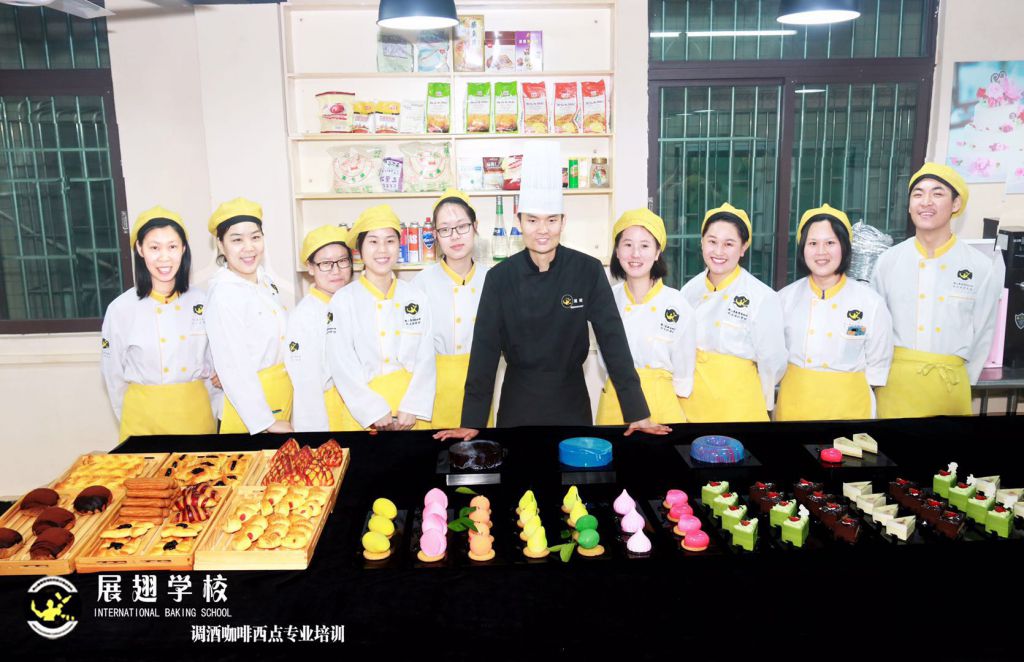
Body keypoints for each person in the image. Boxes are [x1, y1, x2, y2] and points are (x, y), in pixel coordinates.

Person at [436, 141, 669, 439]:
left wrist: (638, 413)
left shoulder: (588, 270)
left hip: (572, 402)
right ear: (519, 221)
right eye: (532, 220)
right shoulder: (500, 278)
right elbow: (484, 352)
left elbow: (614, 342)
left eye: (551, 220)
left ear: (563, 221)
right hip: (517, 405)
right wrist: (472, 421)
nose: (542, 230)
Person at [871, 163, 1005, 417]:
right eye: (918, 194)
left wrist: (961, 378)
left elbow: (983, 333)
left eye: (937, 193)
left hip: (950, 387)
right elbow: (877, 332)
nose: (926, 202)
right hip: (895, 386)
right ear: (909, 205)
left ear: (956, 204)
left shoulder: (980, 267)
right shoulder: (888, 262)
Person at [101, 206, 217, 441]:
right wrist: (131, 417)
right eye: (154, 247)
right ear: (139, 249)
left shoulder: (203, 302)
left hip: (195, 418)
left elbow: (215, 368)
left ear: (183, 249)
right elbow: (113, 376)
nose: (164, 257)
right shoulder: (120, 309)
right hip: (142, 423)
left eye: (172, 246)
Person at [776, 204, 894, 421]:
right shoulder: (784, 299)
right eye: (813, 243)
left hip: (850, 409)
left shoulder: (870, 303)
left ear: (844, 247)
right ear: (803, 249)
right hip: (795, 406)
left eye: (830, 243)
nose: (821, 252)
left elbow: (878, 365)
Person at [326, 205, 436, 431]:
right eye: (373, 241)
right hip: (363, 415)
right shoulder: (343, 300)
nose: (382, 250)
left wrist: (413, 406)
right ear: (360, 249)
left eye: (390, 241)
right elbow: (341, 363)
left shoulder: (415, 296)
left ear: (399, 245)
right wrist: (373, 410)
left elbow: (426, 357)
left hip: (410, 414)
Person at [679, 203, 787, 422]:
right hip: (691, 406)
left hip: (739, 407)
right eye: (712, 241)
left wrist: (762, 398)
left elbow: (773, 361)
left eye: (729, 244)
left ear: (743, 247)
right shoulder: (688, 291)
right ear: (702, 242)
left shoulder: (761, 296)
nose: (718, 251)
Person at [595, 208, 695, 425]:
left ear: (657, 252)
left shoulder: (677, 303)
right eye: (628, 245)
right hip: (616, 402)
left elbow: (684, 369)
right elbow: (604, 359)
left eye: (645, 245)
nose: (635, 254)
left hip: (662, 404)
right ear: (617, 251)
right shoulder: (606, 300)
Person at [205, 198, 294, 434]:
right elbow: (233, 366)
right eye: (237, 240)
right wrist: (265, 422)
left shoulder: (265, 281)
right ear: (221, 245)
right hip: (250, 412)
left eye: (255, 237)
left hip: (277, 395)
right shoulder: (224, 294)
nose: (249, 247)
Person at [412, 189, 491, 428]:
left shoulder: (493, 280)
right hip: (433, 390)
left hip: (482, 388)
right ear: (435, 235)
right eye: (445, 229)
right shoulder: (420, 285)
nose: (454, 236)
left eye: (462, 226)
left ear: (475, 226)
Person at [285, 225, 353, 432]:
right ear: (311, 267)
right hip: (327, 417)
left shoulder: (353, 303)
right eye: (325, 264)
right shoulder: (304, 317)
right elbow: (306, 384)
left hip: (359, 410)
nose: (336, 270)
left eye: (342, 261)